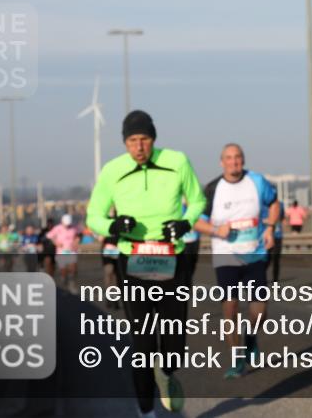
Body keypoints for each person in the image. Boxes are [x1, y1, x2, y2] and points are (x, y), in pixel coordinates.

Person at [86, 110, 206, 416]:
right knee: (142, 343)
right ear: (125, 143)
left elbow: (198, 200)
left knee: (174, 340)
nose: (139, 146)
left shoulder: (177, 161)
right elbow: (93, 216)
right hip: (134, 259)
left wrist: (185, 223)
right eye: (132, 141)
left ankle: (165, 372)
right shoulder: (112, 171)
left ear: (153, 139)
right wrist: (113, 227)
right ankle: (145, 411)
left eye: (144, 139)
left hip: (171, 258)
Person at [196, 143, 279, 379]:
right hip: (225, 254)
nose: (234, 162)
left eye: (238, 157)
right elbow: (195, 221)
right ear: (221, 162)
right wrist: (214, 230)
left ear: (243, 159)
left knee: (259, 310)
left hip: (255, 252)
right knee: (230, 307)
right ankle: (236, 359)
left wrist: (270, 227)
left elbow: (274, 204)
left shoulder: (257, 181)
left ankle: (251, 337)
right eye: (229, 158)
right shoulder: (213, 189)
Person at [46, 214, 81, 291]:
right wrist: (56, 243)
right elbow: (49, 236)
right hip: (61, 251)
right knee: (63, 270)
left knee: (73, 267)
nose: (67, 226)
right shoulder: (57, 228)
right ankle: (64, 280)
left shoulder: (74, 227)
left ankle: (72, 283)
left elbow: (78, 235)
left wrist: (76, 242)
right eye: (66, 225)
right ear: (62, 222)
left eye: (68, 225)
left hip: (71, 251)